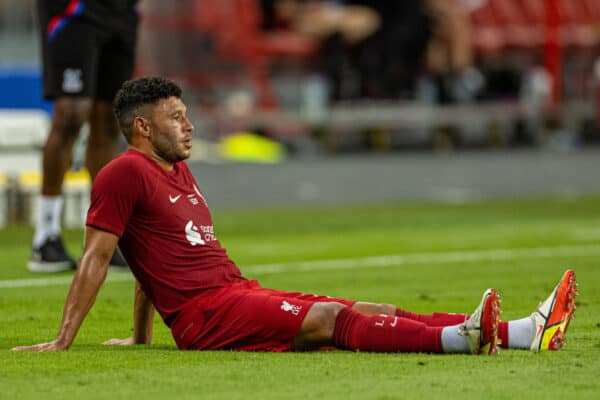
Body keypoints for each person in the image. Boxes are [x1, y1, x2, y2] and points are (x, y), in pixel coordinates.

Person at [13, 77, 578, 354]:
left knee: (366, 308)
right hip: (206, 316)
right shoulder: (121, 173)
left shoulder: (176, 171)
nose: (189, 126)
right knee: (330, 317)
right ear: (142, 128)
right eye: (177, 117)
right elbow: (97, 257)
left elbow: (152, 262)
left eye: (186, 116)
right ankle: (460, 339)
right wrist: (63, 341)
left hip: (233, 291)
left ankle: (524, 332)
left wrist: (139, 340)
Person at [29, 0, 139, 272]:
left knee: (110, 120)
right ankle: (46, 234)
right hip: (76, 10)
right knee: (70, 115)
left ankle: (102, 236)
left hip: (122, 13)